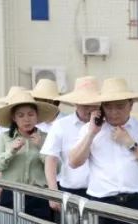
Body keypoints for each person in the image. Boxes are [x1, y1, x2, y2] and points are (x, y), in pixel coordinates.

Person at [68, 78, 138, 224]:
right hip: (102, 201)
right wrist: (91, 134)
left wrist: (131, 144)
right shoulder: (90, 130)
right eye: (108, 107)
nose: (114, 112)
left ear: (130, 105)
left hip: (134, 202)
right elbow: (73, 161)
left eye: (119, 106)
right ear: (101, 107)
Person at [0, 91, 58, 220]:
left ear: (37, 116)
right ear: (14, 118)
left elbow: (58, 169)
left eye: (31, 114)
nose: (26, 119)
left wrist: (41, 147)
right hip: (11, 194)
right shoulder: (4, 138)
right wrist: (10, 152)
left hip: (39, 196)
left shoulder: (46, 138)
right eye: (21, 115)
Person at [42, 76, 99, 211]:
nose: (89, 109)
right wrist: (53, 192)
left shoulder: (106, 126)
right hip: (72, 191)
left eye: (94, 104)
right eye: (85, 104)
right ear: (75, 103)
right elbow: (50, 158)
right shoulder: (61, 125)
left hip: (101, 193)